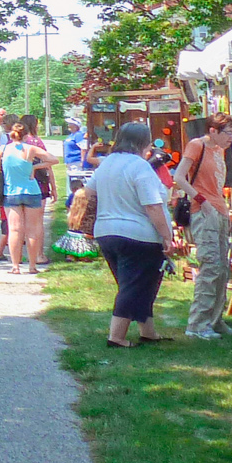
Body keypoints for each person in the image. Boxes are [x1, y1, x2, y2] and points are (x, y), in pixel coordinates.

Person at [91, 121, 182, 348]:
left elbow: (89, 192)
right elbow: (152, 205)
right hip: (138, 235)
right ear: (144, 143)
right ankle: (116, 337)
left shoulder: (107, 163)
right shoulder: (139, 167)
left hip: (106, 231)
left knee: (141, 284)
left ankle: (147, 331)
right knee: (133, 287)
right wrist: (166, 236)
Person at [177, 114, 232, 340]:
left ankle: (215, 319)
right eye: (228, 133)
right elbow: (180, 177)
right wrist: (201, 200)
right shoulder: (196, 145)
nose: (231, 138)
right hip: (204, 211)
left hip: (219, 210)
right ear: (213, 131)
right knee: (210, 266)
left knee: (222, 267)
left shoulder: (219, 151)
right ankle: (197, 323)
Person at [0, 117, 55, 276]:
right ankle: (32, 266)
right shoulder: (31, 149)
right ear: (26, 136)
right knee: (32, 230)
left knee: (14, 230)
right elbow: (53, 160)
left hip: (11, 192)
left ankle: (15, 266)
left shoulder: (2, 150)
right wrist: (35, 166)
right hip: (32, 192)